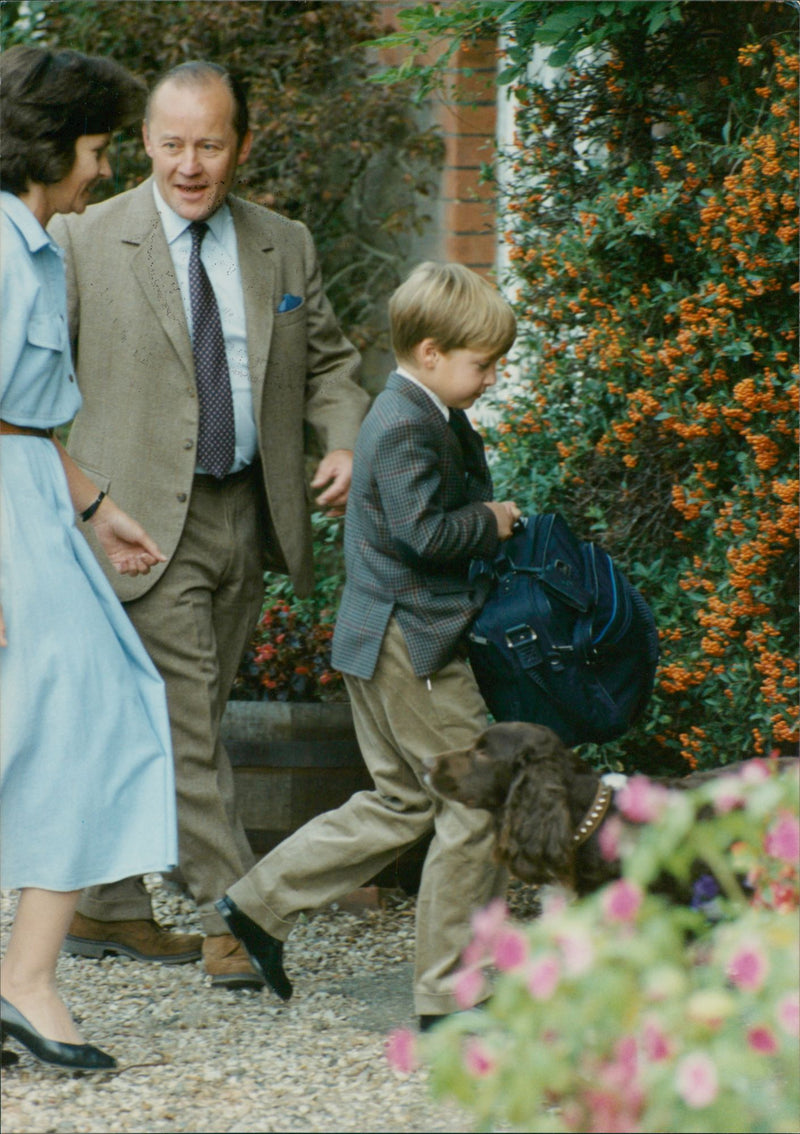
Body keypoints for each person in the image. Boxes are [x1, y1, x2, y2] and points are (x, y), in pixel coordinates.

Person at [48, 61, 370, 989]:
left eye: (212, 145)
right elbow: (25, 391)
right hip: (137, 522)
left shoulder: (284, 245)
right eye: (173, 143)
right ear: (146, 143)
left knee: (185, 713)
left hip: (250, 515)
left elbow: (331, 362)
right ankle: (236, 915)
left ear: (241, 145)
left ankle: (106, 906)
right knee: (187, 721)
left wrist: (342, 440)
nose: (191, 165)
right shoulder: (81, 240)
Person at [216, 261, 521, 1029]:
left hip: (376, 639)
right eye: (482, 364)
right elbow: (422, 535)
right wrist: (493, 519)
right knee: (472, 803)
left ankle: (257, 904)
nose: (491, 377)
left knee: (401, 801)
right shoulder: (406, 423)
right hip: (414, 646)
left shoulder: (422, 415)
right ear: (429, 354)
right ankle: (451, 996)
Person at [0, 44, 180, 1072]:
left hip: (30, 503)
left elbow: (16, 421)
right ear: (51, 141)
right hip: (5, 528)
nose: (104, 169)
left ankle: (22, 978)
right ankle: (25, 981)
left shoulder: (30, 241)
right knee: (78, 721)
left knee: (67, 724)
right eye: (100, 146)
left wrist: (97, 505)